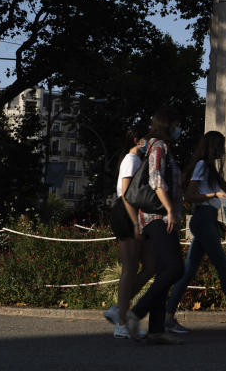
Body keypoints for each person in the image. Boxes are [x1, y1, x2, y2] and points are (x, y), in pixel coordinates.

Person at [162, 131, 226, 335]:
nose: (223, 149)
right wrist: (214, 194)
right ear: (213, 146)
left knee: (189, 271)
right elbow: (190, 195)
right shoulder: (202, 165)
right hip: (203, 219)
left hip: (207, 220)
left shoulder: (211, 169)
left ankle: (167, 316)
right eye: (221, 145)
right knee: (224, 269)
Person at [123, 110, 185, 344]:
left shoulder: (156, 146)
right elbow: (155, 178)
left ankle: (156, 330)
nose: (179, 129)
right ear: (167, 125)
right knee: (175, 269)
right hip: (156, 217)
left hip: (155, 218)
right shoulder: (159, 146)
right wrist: (169, 209)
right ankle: (135, 313)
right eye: (177, 124)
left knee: (163, 271)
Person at [103, 124, 156, 338]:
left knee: (151, 265)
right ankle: (122, 323)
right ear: (137, 139)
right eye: (147, 138)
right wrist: (135, 223)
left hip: (136, 214)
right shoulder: (131, 160)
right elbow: (126, 195)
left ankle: (119, 308)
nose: (150, 143)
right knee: (130, 267)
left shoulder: (138, 160)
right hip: (127, 214)